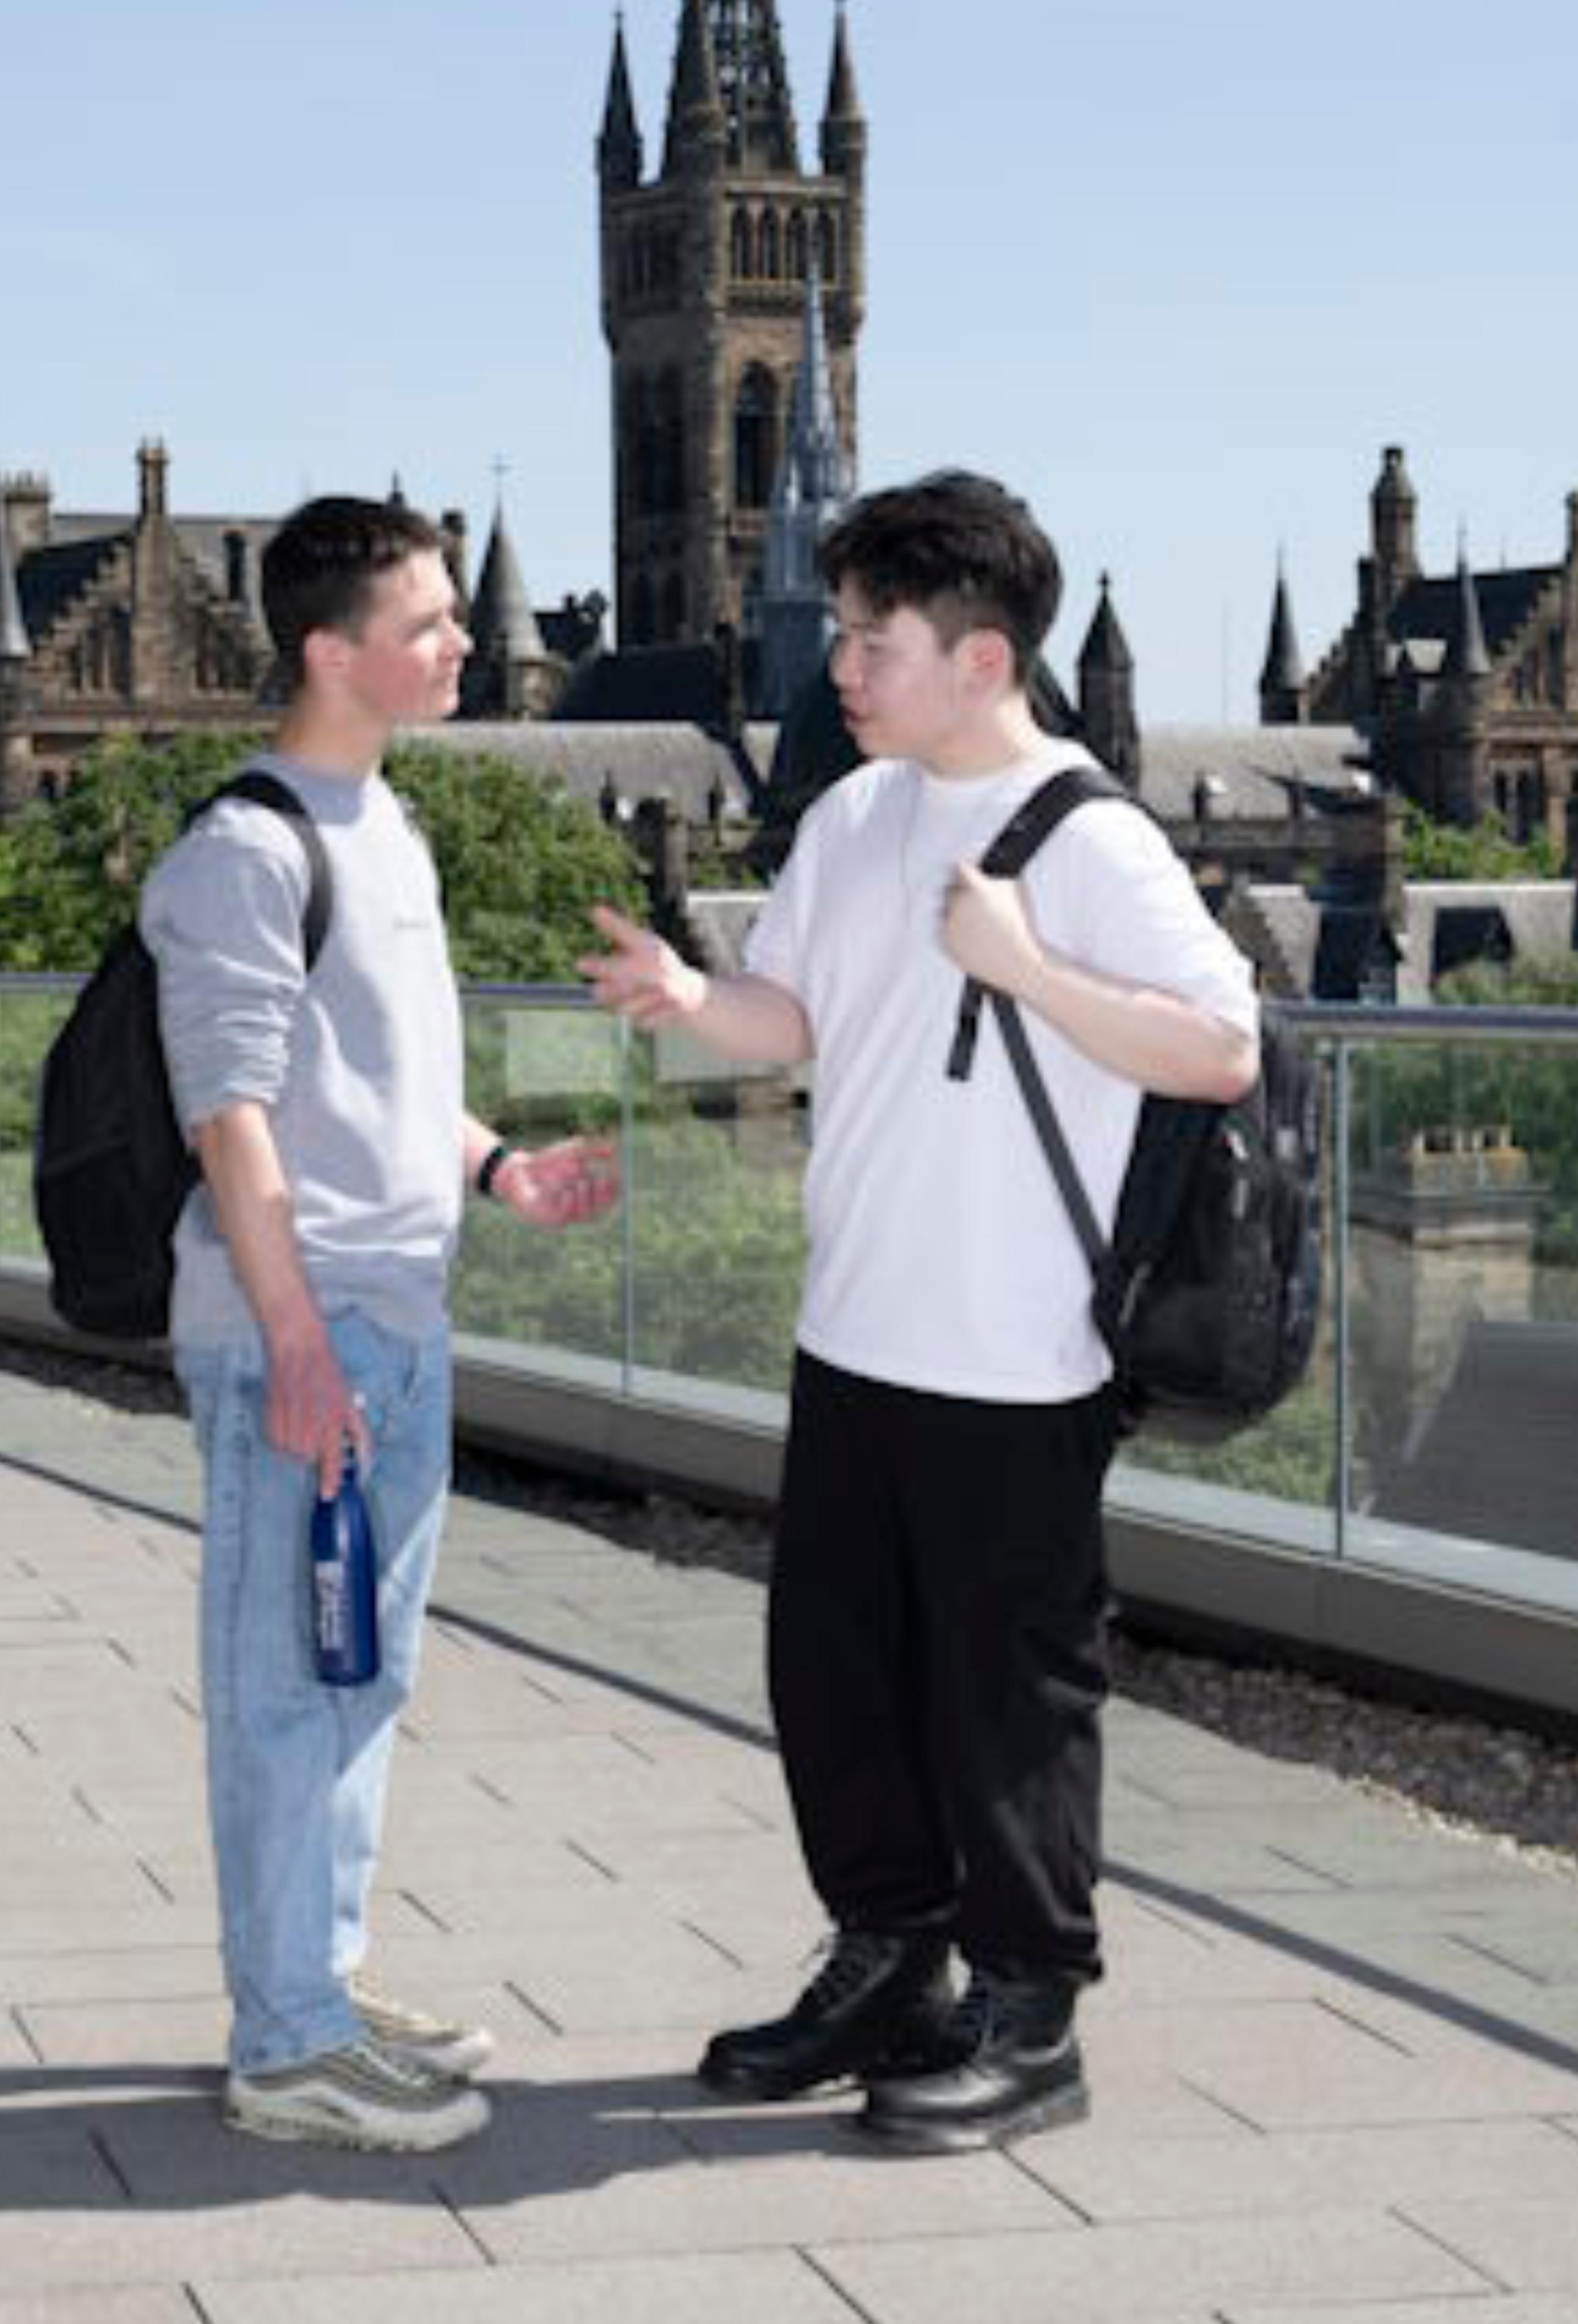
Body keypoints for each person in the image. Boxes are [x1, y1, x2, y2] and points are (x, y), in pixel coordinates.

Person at [579, 470, 1254, 2150]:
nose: (842, 670)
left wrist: (1029, 969)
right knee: (836, 1676)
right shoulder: (854, 818)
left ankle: (1030, 2015)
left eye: (874, 639)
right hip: (856, 1331)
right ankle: (891, 1960)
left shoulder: (1091, 836)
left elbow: (1223, 1046)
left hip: (1019, 1357)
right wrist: (683, 998)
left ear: (980, 655)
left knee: (1009, 1698)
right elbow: (793, 1013)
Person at [150, 494, 617, 2153]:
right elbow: (236, 1116)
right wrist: (293, 1343)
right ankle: (285, 2042)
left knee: (360, 1672)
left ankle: (321, 1979)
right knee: (285, 1681)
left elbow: (387, 1090)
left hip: (397, 1310)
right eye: (429, 625)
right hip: (313, 1325)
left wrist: (499, 1171)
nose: (463, 643)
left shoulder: (389, 830)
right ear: (331, 651)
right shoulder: (245, 854)